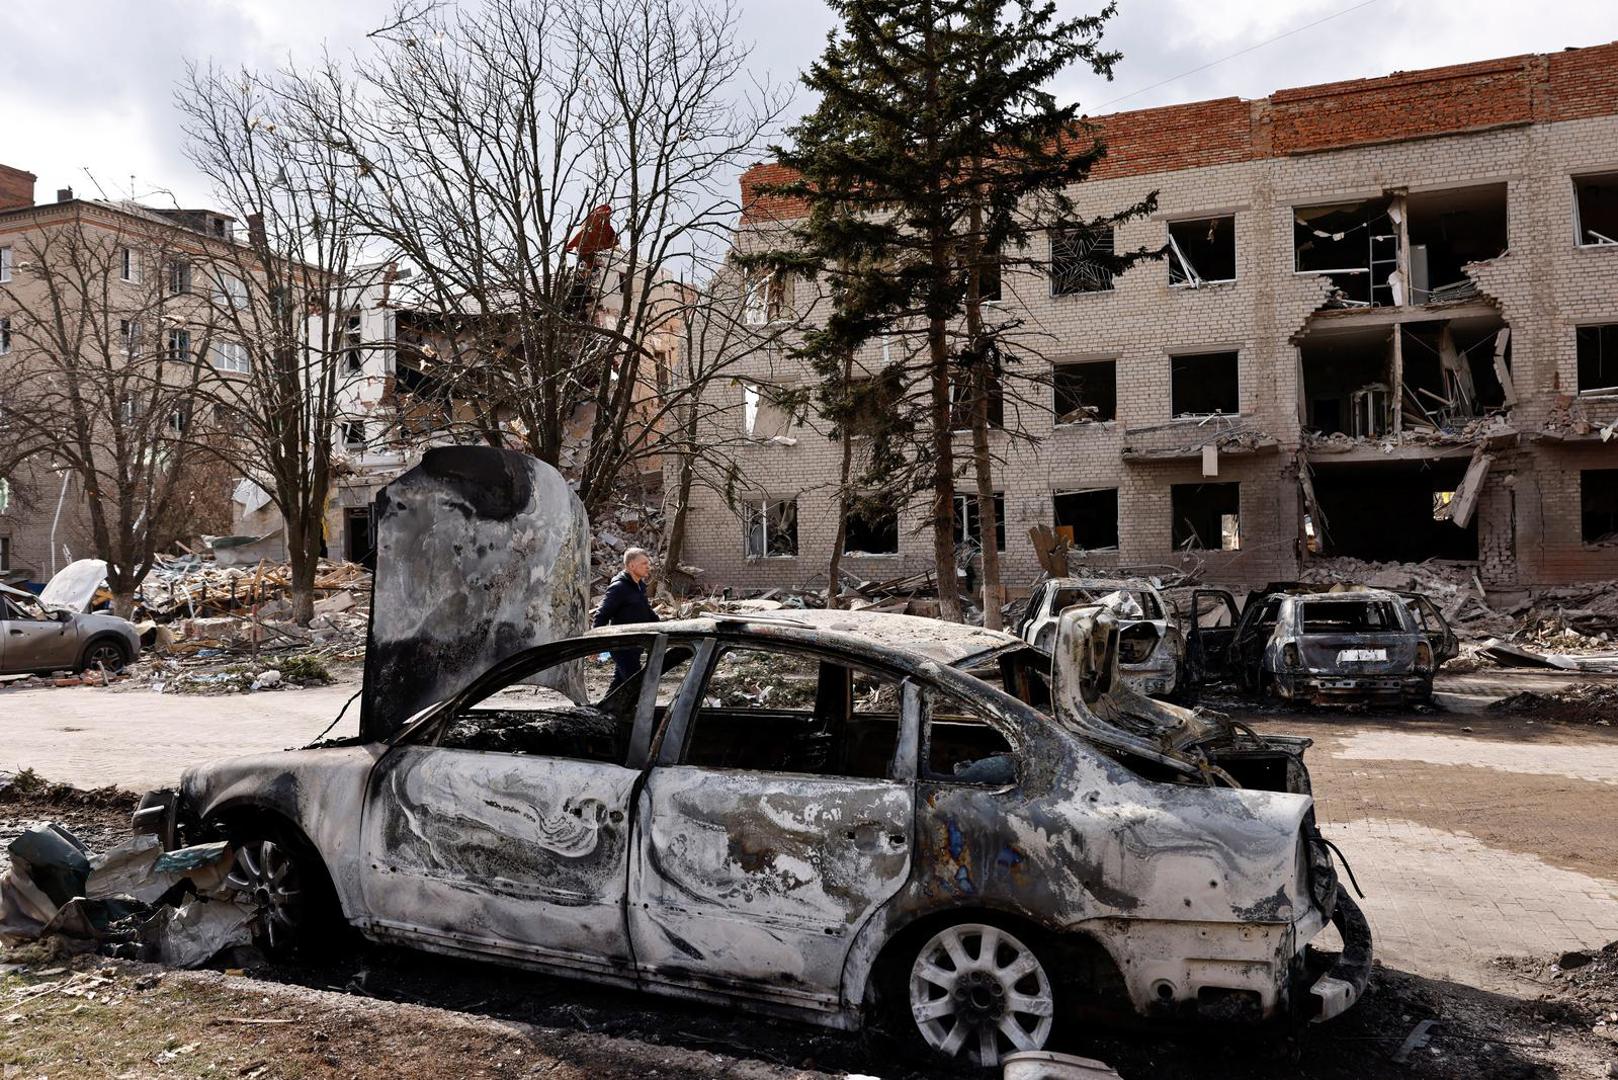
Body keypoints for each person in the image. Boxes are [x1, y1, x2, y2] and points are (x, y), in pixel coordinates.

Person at [594, 547, 660, 692]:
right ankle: (636, 713)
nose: (648, 567)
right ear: (631, 566)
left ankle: (605, 711)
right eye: (644, 563)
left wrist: (663, 628)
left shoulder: (639, 586)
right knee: (637, 683)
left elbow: (646, 611)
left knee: (620, 684)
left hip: (635, 643)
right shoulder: (619, 587)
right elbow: (602, 614)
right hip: (621, 644)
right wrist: (595, 645)